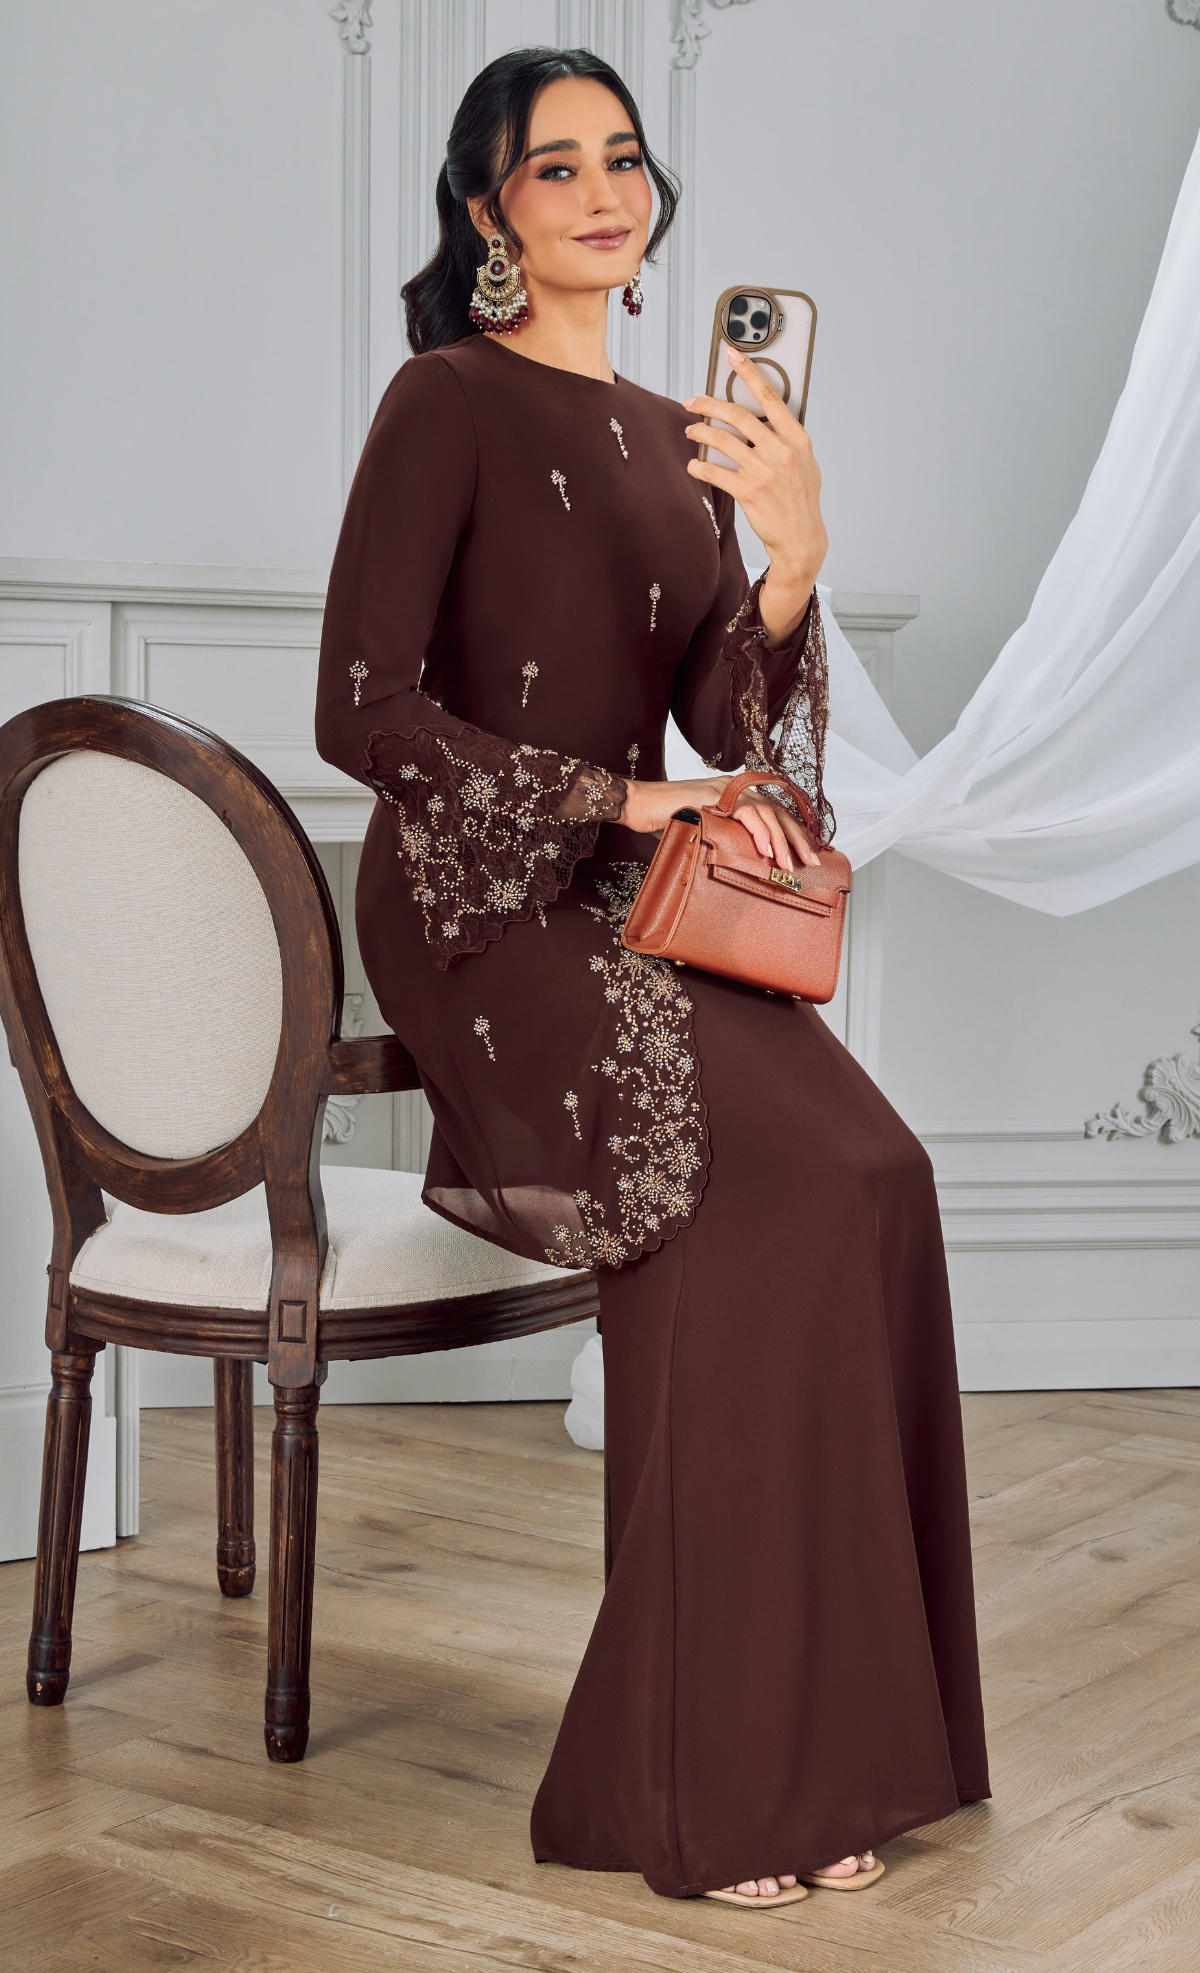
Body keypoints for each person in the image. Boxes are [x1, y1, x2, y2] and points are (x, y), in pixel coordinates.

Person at [315, 44, 990, 1910]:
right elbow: (362, 709)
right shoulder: (443, 400)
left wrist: (792, 558)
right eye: (558, 167)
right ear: (487, 209)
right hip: (479, 906)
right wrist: (613, 797)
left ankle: (830, 1743)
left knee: (871, 1172)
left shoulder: (672, 432)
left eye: (624, 158)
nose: (606, 193)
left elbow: (726, 721)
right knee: (739, 1198)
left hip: (639, 898)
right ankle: (693, 1779)